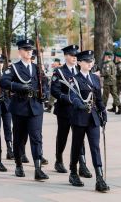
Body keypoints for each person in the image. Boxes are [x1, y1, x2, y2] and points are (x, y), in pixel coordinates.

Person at [0, 39, 49, 181]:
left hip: (35, 106)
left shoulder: (37, 68)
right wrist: (19, 86)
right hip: (20, 107)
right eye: (26, 49)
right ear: (20, 51)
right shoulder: (14, 68)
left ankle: (38, 168)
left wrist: (45, 92)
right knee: (19, 138)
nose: (29, 51)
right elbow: (3, 82)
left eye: (30, 49)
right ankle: (18, 165)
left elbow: (45, 83)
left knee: (36, 138)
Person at [67, 50, 109, 192]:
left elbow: (98, 98)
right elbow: (73, 96)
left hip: (93, 118)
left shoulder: (95, 79)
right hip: (79, 117)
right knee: (77, 146)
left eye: (91, 61)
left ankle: (99, 178)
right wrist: (80, 104)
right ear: (79, 62)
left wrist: (103, 112)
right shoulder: (74, 79)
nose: (90, 63)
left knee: (95, 147)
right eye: (86, 61)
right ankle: (73, 172)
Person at [51, 44, 92, 178]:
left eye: (76, 56)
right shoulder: (59, 72)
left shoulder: (81, 71)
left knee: (80, 138)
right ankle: (58, 160)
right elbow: (55, 91)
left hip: (79, 111)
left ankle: (82, 165)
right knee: (62, 137)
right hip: (65, 109)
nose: (74, 58)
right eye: (72, 55)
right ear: (66, 56)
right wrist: (68, 99)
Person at [0, 54, 14, 160]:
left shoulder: (7, 73)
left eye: (1, 62)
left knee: (8, 127)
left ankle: (9, 149)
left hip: (6, 104)